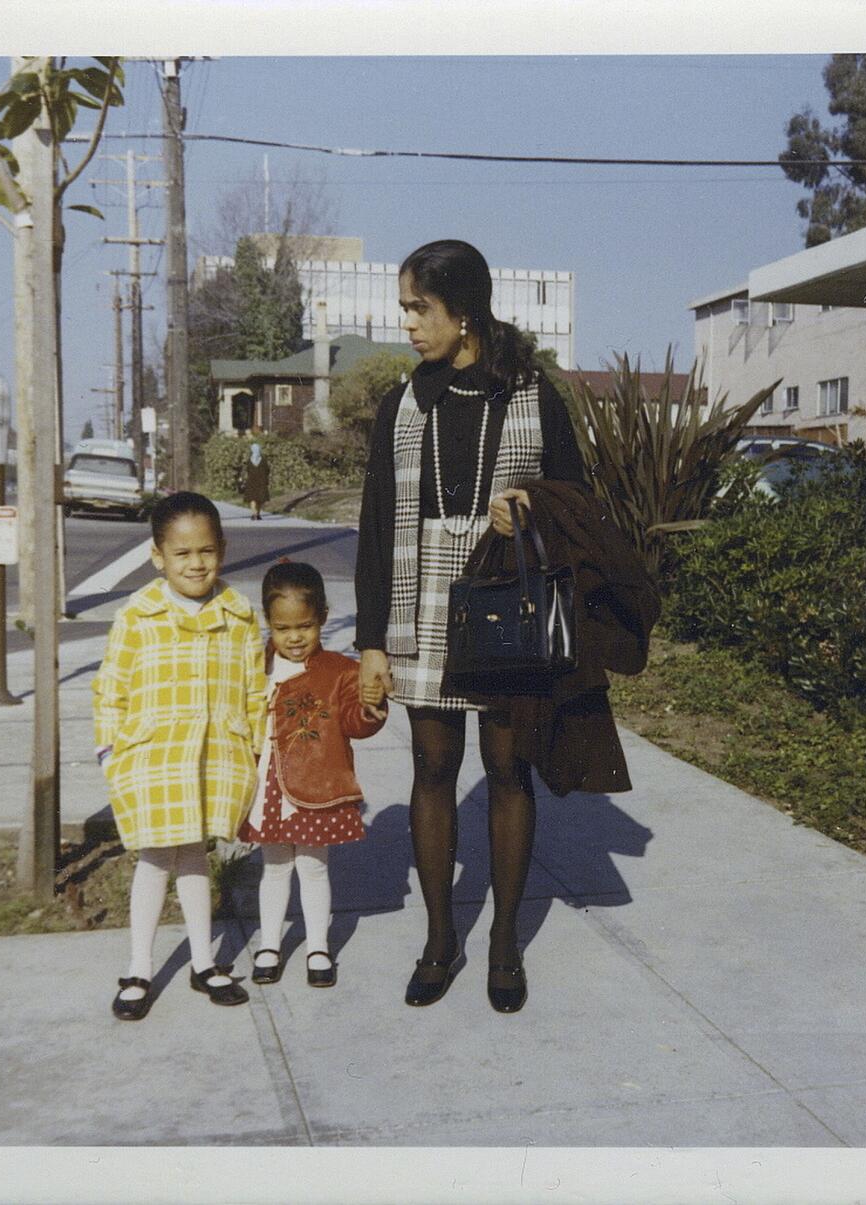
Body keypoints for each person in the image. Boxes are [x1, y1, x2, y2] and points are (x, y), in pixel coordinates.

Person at [355, 239, 588, 1014]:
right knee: (430, 768)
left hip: (503, 599)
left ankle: (502, 944)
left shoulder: (532, 394)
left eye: (420, 309)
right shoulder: (404, 401)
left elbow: (577, 502)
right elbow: (376, 524)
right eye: (406, 310)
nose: (410, 326)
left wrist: (526, 506)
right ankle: (439, 938)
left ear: (465, 310)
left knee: (508, 768)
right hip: (419, 600)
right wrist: (369, 644)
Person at [93, 491, 267, 1020]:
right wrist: (109, 750)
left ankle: (202, 961)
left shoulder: (239, 615)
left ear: (222, 549)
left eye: (207, 552)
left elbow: (254, 689)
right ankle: (139, 968)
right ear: (158, 556)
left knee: (195, 856)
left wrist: (255, 748)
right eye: (183, 553)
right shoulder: (138, 615)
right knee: (153, 859)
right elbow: (111, 687)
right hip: (153, 757)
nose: (196, 563)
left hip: (215, 754)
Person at [239, 561, 387, 987]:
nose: (295, 638)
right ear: (269, 623)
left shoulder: (340, 670)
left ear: (322, 617)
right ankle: (270, 944)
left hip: (317, 787)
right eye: (283, 629)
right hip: (267, 787)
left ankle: (318, 946)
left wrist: (371, 703)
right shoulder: (256, 665)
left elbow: (357, 724)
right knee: (275, 867)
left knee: (314, 867)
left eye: (305, 626)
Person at [241, 435, 270, 521]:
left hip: (251, 481)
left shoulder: (249, 460)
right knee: (260, 499)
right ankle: (258, 514)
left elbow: (247, 470)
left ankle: (254, 513)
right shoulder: (263, 460)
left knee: (252, 498)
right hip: (261, 482)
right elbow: (268, 470)